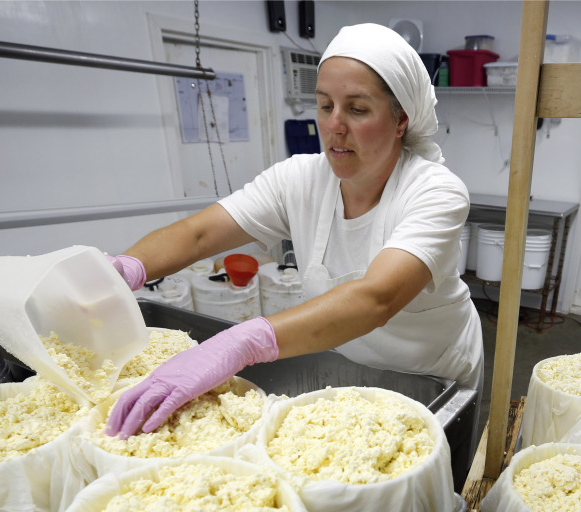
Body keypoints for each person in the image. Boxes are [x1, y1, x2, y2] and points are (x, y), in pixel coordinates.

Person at [105, 23, 483, 441]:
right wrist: (124, 268)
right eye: (325, 105)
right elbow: (199, 234)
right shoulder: (299, 179)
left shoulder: (435, 192)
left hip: (431, 378)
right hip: (345, 361)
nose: (334, 125)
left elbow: (377, 298)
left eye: (357, 109)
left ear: (400, 121)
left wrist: (244, 341)